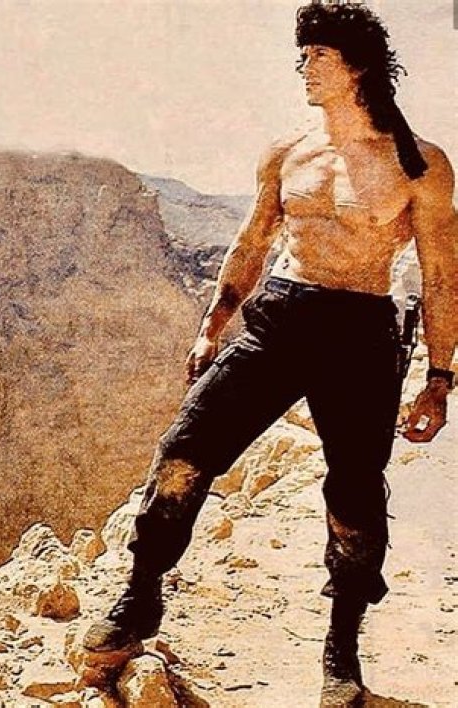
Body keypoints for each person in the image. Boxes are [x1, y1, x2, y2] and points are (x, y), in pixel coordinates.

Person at [82, 3, 456, 705]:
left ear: (358, 67)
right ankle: (140, 596)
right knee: (182, 457)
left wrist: (438, 378)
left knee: (354, 497)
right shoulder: (289, 152)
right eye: (302, 55)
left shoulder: (420, 164)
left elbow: (440, 275)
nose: (304, 68)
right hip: (279, 319)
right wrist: (213, 323)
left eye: (319, 56)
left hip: (360, 332)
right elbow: (253, 240)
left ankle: (341, 649)